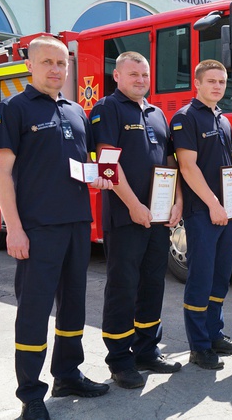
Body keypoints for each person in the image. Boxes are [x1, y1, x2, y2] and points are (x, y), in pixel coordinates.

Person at [0, 35, 113, 420]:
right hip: (38, 229)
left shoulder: (77, 110)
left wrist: (99, 179)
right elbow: (1, 173)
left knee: (74, 306)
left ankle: (67, 374)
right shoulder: (13, 109)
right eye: (47, 63)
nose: (56, 70)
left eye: (61, 64)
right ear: (29, 64)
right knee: (34, 311)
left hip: (78, 224)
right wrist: (14, 229)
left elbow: (85, 163)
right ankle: (30, 394)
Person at [90, 52, 182, 388]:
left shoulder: (158, 113)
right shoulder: (107, 108)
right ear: (117, 75)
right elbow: (106, 164)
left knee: (152, 284)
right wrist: (132, 205)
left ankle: (147, 349)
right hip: (126, 218)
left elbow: (170, 161)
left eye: (144, 74)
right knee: (123, 287)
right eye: (133, 74)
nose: (140, 79)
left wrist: (178, 201)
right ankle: (120, 359)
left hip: (159, 217)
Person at [171, 59, 232, 370]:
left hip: (228, 212)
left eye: (222, 81)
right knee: (201, 278)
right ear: (198, 83)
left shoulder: (224, 120)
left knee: (221, 277)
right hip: (203, 213)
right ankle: (199, 346)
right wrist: (214, 205)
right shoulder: (186, 118)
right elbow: (188, 167)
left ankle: (215, 333)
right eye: (212, 81)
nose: (217, 86)